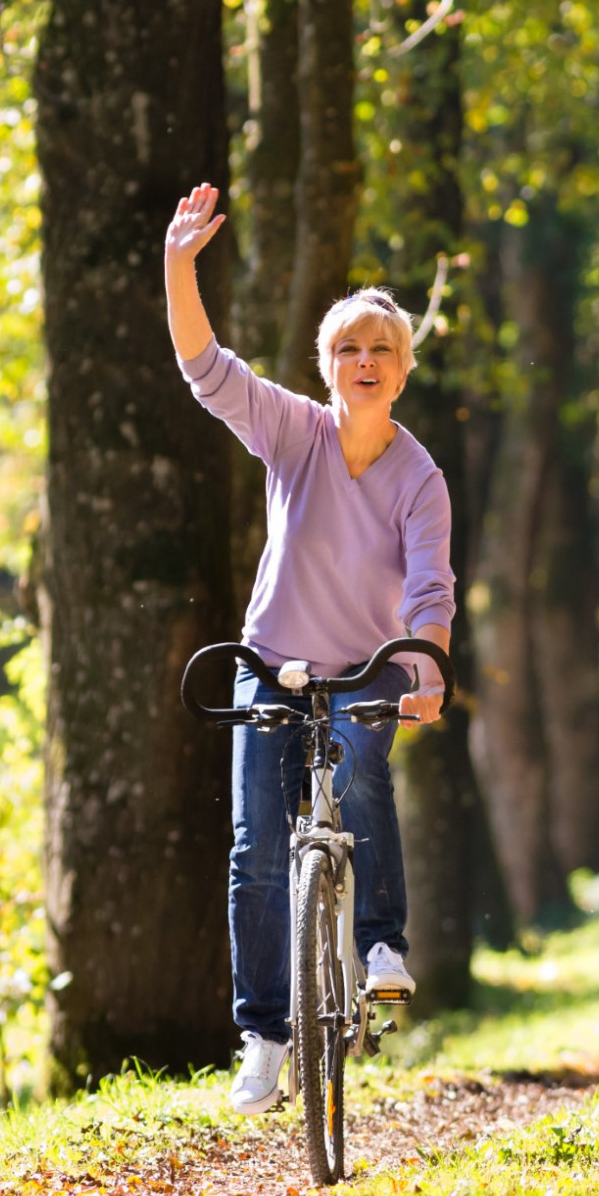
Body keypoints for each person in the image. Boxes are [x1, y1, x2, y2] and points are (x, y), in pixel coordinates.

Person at [161, 184, 452, 1115]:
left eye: (382, 351)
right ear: (326, 368)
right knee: (255, 848)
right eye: (347, 350)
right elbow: (206, 367)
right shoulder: (293, 431)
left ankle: (379, 947)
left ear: (403, 371)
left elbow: (429, 591)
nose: (365, 362)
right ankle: (264, 1036)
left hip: (366, 676)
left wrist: (427, 670)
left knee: (364, 779)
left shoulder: (420, 475)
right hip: (276, 667)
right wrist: (178, 266)